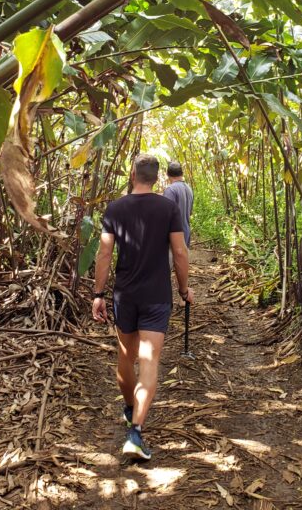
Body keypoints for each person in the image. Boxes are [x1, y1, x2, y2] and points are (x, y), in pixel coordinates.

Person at [92, 153, 193, 461]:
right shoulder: (168, 208)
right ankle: (135, 430)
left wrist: (98, 293)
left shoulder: (115, 208)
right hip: (157, 295)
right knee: (149, 362)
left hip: (126, 294)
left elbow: (104, 253)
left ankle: (129, 409)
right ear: (156, 177)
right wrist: (184, 288)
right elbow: (180, 252)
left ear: (133, 174)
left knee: (126, 357)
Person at [162, 161, 194, 247]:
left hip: (175, 236)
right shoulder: (189, 189)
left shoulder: (170, 190)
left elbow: (166, 216)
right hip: (186, 233)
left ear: (168, 174)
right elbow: (190, 212)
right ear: (182, 173)